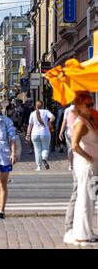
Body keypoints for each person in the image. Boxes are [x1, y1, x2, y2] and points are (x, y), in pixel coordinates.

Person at [64, 92, 98, 246]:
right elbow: (75, 145)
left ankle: (86, 231)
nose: (91, 107)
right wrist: (89, 157)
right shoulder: (80, 123)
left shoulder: (87, 119)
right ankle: (81, 234)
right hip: (85, 166)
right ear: (79, 106)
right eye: (88, 105)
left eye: (92, 104)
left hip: (90, 165)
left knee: (89, 199)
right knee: (84, 199)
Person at [26, 101, 55, 171]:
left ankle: (38, 166)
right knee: (45, 148)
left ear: (35, 106)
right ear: (43, 105)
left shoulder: (32, 113)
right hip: (45, 133)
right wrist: (49, 122)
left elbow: (30, 125)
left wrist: (28, 134)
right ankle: (44, 158)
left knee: (37, 150)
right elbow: (53, 117)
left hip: (34, 134)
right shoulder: (46, 111)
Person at [59, 104, 77, 171]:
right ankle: (77, 164)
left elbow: (64, 121)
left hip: (69, 131)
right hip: (78, 131)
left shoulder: (67, 110)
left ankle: (71, 165)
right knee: (78, 148)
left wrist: (61, 132)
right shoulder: (80, 108)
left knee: (70, 149)